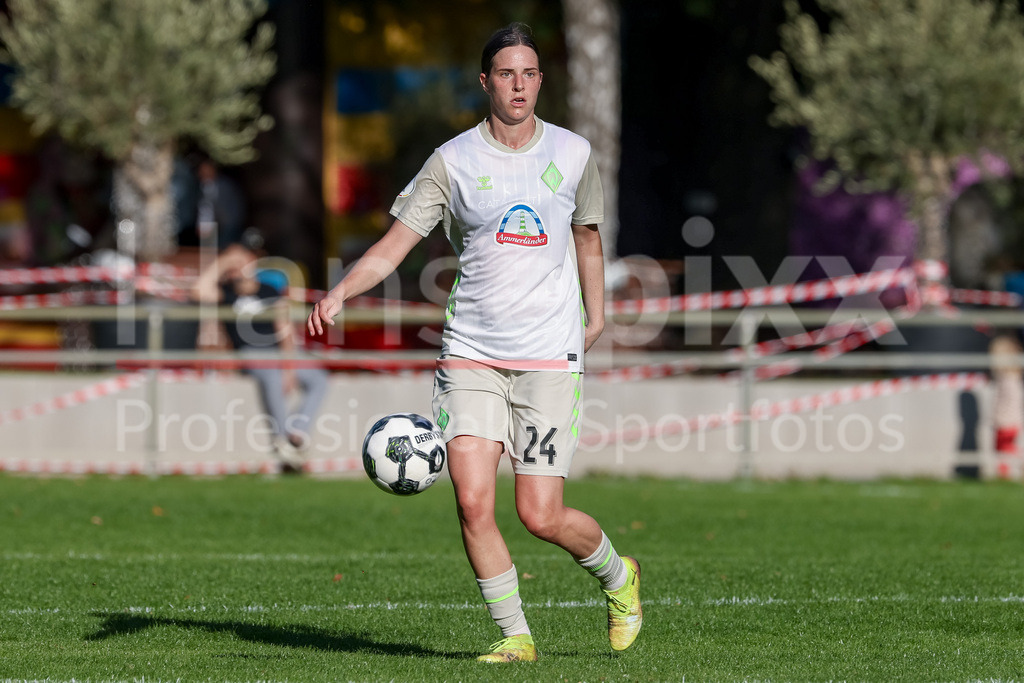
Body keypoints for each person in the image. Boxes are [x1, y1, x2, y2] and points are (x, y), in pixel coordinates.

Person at [308, 23, 641, 662]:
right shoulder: (454, 161)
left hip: (548, 355)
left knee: (540, 515)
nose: (519, 85)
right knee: (471, 499)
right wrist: (341, 292)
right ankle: (516, 636)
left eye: (531, 74)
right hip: (472, 355)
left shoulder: (573, 153)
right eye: (507, 74)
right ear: (485, 81)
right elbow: (394, 245)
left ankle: (619, 578)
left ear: (541, 81)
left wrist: (595, 318)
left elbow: (589, 239)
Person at [194, 234, 329, 473]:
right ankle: (282, 442)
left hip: (277, 351)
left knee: (318, 378)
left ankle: (296, 432)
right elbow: (198, 291)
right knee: (271, 378)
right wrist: (223, 263)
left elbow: (284, 331)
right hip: (250, 352)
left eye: (241, 259)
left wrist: (289, 368)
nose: (237, 265)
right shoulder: (226, 292)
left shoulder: (269, 290)